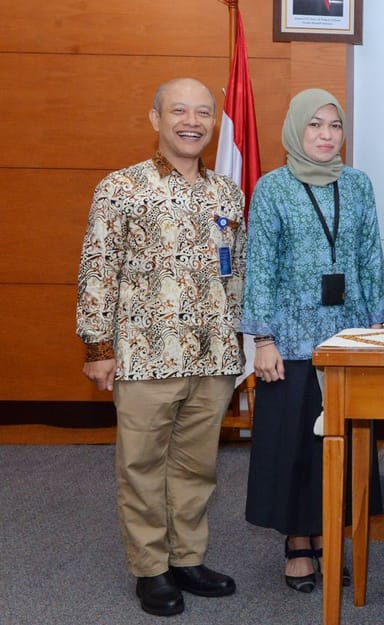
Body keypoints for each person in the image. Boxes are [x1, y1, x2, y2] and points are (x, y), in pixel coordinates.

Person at [76, 77, 245, 617]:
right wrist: (97, 346)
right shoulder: (120, 188)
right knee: (143, 466)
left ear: (213, 123)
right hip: (145, 355)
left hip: (213, 355)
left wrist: (246, 338)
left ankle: (188, 558)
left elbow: (235, 273)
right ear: (156, 119)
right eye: (179, 111)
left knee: (196, 467)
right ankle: (151, 569)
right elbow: (97, 271)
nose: (191, 122)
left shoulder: (227, 193)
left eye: (202, 112)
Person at [241, 89, 384, 592]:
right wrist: (262, 338)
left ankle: (332, 533)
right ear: (295, 130)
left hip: (347, 338)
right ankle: (298, 543)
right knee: (293, 448)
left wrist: (379, 325)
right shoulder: (272, 188)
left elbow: (370, 256)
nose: (326, 135)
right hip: (288, 342)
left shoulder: (357, 185)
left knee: (344, 445)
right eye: (315, 125)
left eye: (334, 125)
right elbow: (259, 267)